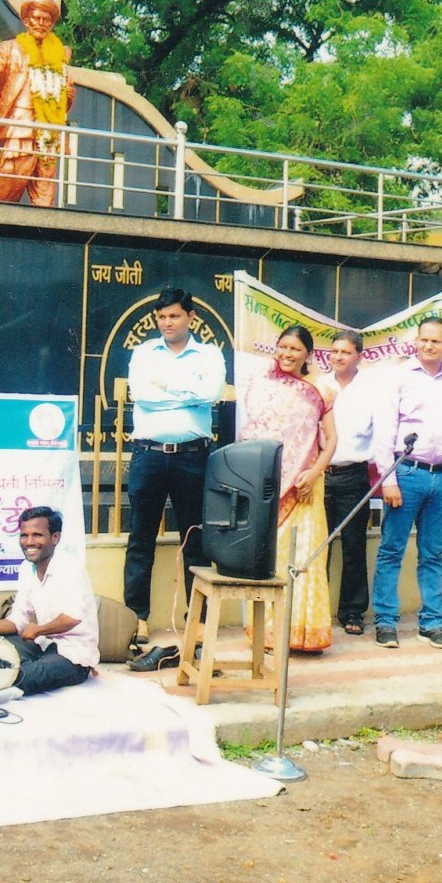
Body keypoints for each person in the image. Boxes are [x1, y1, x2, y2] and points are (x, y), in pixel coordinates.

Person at [123, 287, 224, 671]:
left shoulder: (209, 354)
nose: (168, 323)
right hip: (148, 455)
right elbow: (142, 395)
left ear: (191, 317)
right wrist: (187, 395)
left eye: (175, 316)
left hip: (192, 457)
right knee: (141, 539)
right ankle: (136, 619)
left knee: (195, 540)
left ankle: (197, 624)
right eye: (162, 317)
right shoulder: (144, 352)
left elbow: (210, 393)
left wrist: (167, 389)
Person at [371, 316, 442, 649]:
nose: (429, 346)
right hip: (407, 474)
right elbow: (385, 430)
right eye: (424, 340)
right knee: (392, 549)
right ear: (416, 341)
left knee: (433, 553)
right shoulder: (399, 377)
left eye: (436, 341)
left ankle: (431, 623)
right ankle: (385, 621)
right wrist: (388, 480)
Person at [240, 325, 336, 653]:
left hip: (303, 488)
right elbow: (252, 432)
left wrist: (313, 472)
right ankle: (268, 633)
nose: (287, 354)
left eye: (295, 349)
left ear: (308, 354)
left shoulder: (319, 390)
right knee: (270, 559)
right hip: (265, 485)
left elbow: (331, 439)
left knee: (302, 559)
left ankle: (302, 634)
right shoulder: (261, 383)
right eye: (283, 347)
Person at [0, 507, 98, 699]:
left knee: (21, 677)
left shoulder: (69, 568)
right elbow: (18, 620)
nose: (29, 542)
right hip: (41, 645)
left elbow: (72, 618)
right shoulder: (26, 569)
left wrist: (38, 630)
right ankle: (15, 670)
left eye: (37, 535)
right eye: (24, 535)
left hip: (73, 654)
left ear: (55, 538)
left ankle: (19, 673)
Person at [0, 0, 75, 207]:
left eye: (46, 20)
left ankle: (41, 227)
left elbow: (63, 100)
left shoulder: (60, 54)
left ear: (52, 24)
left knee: (45, 196)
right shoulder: (10, 48)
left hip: (49, 132)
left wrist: (68, 97)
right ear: (26, 21)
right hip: (18, 127)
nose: (41, 23)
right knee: (9, 186)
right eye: (36, 18)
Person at [316, 329, 375, 635]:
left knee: (353, 546)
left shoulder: (371, 389)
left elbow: (381, 432)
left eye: (345, 352)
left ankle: (352, 611)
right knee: (318, 547)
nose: (338, 357)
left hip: (354, 475)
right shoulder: (318, 385)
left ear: (359, 356)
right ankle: (314, 612)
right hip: (320, 475)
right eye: (334, 351)